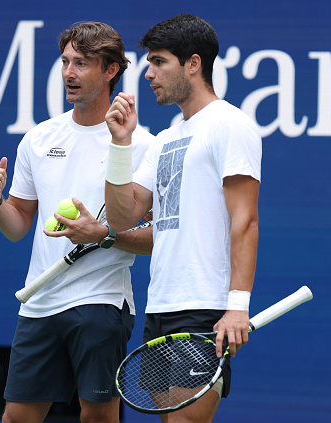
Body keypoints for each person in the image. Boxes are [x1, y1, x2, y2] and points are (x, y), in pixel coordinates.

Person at [0, 21, 154, 423]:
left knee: (97, 417)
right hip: (39, 301)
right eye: (65, 62)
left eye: (82, 63)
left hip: (101, 300)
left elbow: (159, 237)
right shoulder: (39, 139)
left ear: (111, 70)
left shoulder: (142, 145)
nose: (69, 73)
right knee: (17, 418)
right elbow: (17, 225)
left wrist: (105, 235)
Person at [104, 14, 261, 423]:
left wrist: (237, 307)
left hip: (206, 307)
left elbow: (245, 220)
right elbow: (123, 215)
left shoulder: (231, 125)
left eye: (159, 62)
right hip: (161, 304)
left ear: (193, 63)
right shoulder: (167, 138)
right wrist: (120, 146)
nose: (149, 74)